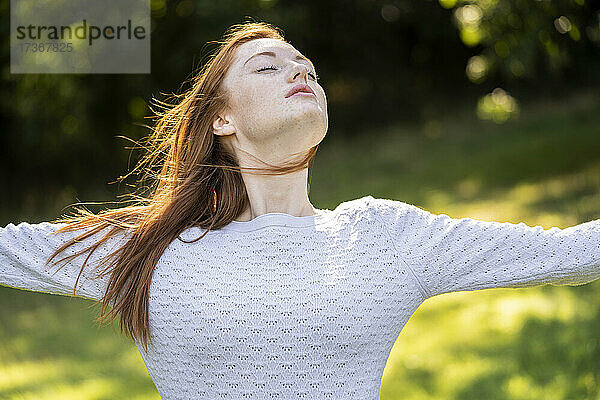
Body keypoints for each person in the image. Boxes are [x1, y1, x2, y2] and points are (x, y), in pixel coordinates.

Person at [1, 21, 599, 400]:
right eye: (268, 67)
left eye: (306, 69)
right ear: (222, 119)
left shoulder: (383, 236)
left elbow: (571, 251)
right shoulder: (148, 247)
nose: (299, 72)